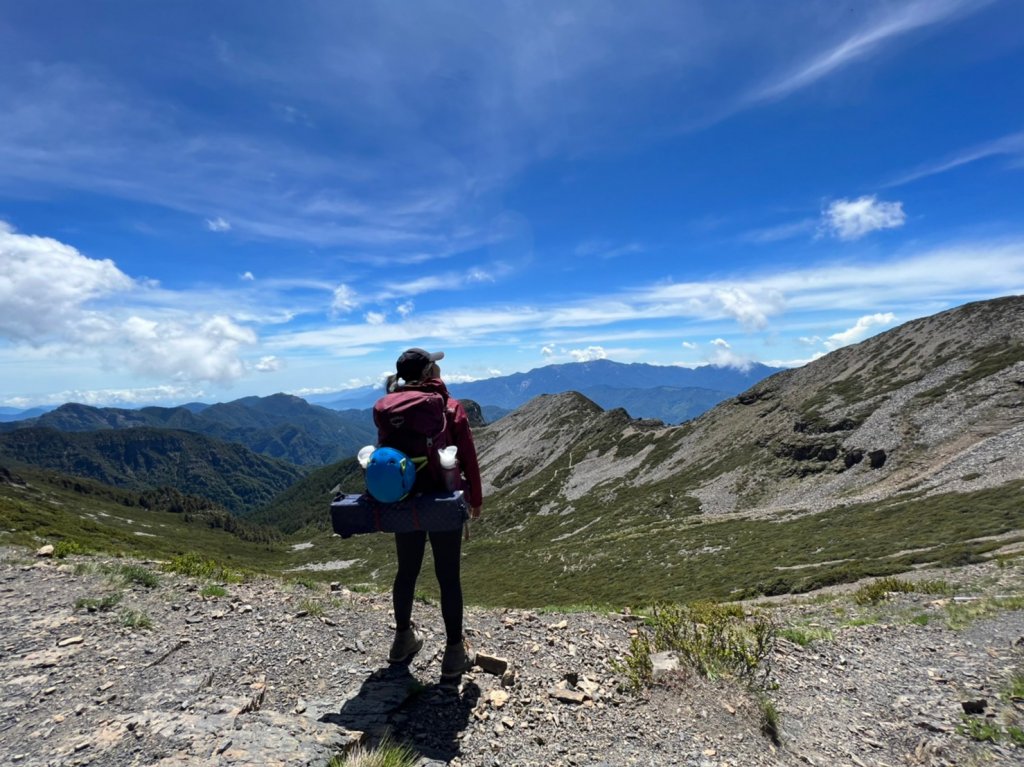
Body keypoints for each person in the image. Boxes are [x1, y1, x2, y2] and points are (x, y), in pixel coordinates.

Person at [381, 348, 483, 680]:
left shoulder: (388, 407)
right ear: (429, 372)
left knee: (406, 571)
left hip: (404, 498)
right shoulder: (449, 407)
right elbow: (467, 454)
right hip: (442, 500)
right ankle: (454, 652)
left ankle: (402, 641)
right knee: (448, 575)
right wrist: (476, 498)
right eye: (434, 363)